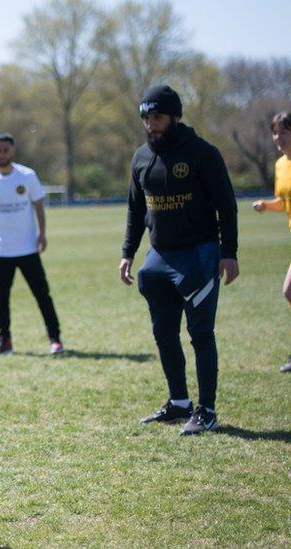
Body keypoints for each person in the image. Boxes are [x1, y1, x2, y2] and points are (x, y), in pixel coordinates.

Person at [119, 85, 239, 435]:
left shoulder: (203, 153)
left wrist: (229, 253)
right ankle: (179, 403)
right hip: (159, 258)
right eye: (145, 118)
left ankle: (207, 411)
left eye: (157, 117)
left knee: (201, 334)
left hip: (199, 254)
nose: (150, 125)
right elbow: (135, 208)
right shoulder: (141, 157)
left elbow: (226, 206)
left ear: (174, 116)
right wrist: (127, 252)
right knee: (164, 333)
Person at [0, 133, 64, 356]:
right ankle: (5, 342)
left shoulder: (27, 176)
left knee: (42, 294)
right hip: (0, 250)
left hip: (27, 248)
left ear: (12, 151)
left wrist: (42, 234)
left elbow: (39, 205)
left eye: (5, 150)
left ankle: (55, 339)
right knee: (0, 298)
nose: (2, 154)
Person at [252, 111, 291, 373]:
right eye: (275, 133)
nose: (277, 138)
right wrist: (267, 205)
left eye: (283, 132)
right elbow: (284, 202)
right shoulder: (280, 165)